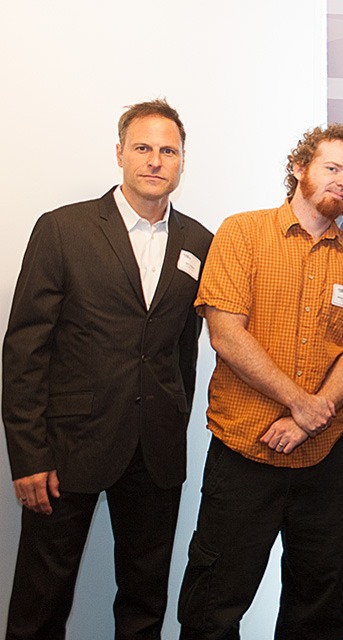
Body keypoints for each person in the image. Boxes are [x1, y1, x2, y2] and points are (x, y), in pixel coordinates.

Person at [2, 99, 212, 639]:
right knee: (40, 603)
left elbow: (183, 350)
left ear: (182, 161)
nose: (155, 161)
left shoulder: (198, 241)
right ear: (119, 153)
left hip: (156, 453)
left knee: (144, 603)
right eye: (143, 148)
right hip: (65, 450)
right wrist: (28, 455)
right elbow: (25, 349)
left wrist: (175, 420)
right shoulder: (63, 229)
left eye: (168, 151)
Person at [176, 124, 343, 639]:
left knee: (320, 605)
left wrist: (312, 417)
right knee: (214, 604)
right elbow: (226, 334)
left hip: (323, 460)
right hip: (245, 453)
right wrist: (300, 403)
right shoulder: (242, 234)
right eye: (332, 168)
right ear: (299, 168)